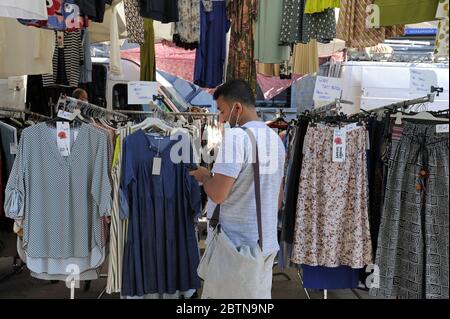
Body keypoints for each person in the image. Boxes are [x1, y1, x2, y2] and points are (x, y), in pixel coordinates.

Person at [189, 79, 286, 298]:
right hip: (265, 242)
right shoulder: (275, 139)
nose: (222, 118)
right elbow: (277, 198)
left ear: (237, 108)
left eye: (222, 111)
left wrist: (205, 176)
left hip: (235, 245)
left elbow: (218, 193)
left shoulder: (236, 137)